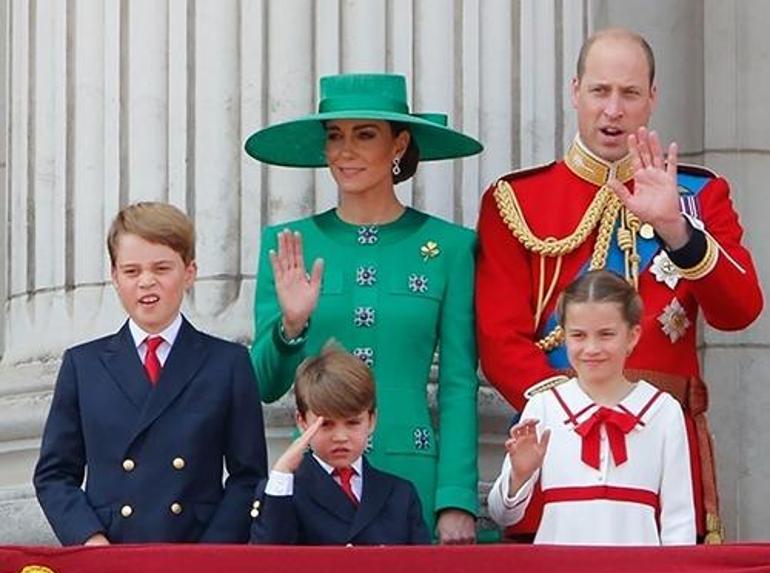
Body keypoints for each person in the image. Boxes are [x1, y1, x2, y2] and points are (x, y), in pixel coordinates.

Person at [476, 27, 763, 542]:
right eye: (599, 91)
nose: (613, 110)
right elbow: (499, 342)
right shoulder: (516, 200)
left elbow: (740, 310)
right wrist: (577, 412)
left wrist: (677, 230)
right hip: (560, 447)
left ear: (652, 97)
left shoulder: (699, 194)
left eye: (629, 93)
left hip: (663, 450)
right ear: (575, 91)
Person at [245, 73, 482, 543]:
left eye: (365, 135)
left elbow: (459, 384)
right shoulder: (289, 244)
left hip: (411, 473)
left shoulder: (450, 247)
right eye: (335, 136)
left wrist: (456, 498)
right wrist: (292, 325)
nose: (345, 151)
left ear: (400, 144)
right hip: (314, 482)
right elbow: (263, 386)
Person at [34, 202, 267, 545]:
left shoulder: (227, 363)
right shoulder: (83, 366)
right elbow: (54, 475)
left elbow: (248, 477)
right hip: (112, 551)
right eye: (131, 271)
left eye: (161, 268)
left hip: (195, 552)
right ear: (115, 277)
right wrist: (90, 539)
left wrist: (211, 552)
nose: (146, 282)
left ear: (189, 272)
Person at [487, 271, 695, 545]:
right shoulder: (544, 406)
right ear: (564, 336)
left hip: (638, 566)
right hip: (559, 566)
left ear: (632, 336)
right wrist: (520, 475)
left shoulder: (663, 411)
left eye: (606, 334)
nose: (592, 348)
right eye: (578, 335)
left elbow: (679, 521)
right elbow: (502, 514)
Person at [250, 343, 430, 545]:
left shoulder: (400, 494)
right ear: (302, 421)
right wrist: (282, 473)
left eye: (353, 423)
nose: (340, 437)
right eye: (325, 424)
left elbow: (420, 562)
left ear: (371, 420)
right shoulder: (284, 490)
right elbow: (269, 556)